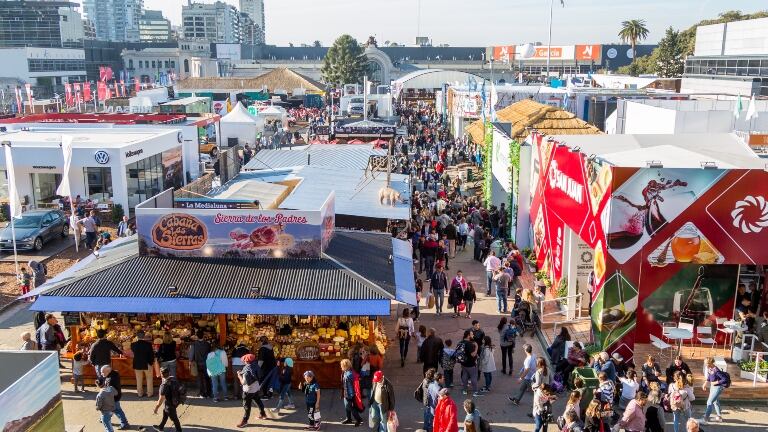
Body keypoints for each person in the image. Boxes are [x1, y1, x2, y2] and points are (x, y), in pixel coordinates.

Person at [237, 353, 267, 428]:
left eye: (244, 361)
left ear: (246, 361)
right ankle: (263, 414)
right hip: (256, 387)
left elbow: (243, 382)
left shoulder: (246, 370)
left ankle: (245, 420)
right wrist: (242, 373)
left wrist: (239, 376)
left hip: (248, 390)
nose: (244, 362)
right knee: (258, 401)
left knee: (247, 406)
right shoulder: (256, 366)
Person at [152, 366, 183, 432]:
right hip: (175, 401)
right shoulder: (174, 379)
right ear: (169, 373)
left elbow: (161, 399)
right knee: (165, 413)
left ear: (161, 374)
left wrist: (156, 408)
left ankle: (179, 430)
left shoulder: (164, 385)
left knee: (174, 418)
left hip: (169, 405)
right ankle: (161, 427)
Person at [100, 365, 130, 430]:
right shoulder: (114, 373)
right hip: (116, 396)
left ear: (108, 371)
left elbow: (107, 390)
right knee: (116, 410)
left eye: (103, 372)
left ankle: (125, 424)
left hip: (113, 398)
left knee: (116, 410)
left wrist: (101, 388)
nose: (101, 374)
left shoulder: (110, 379)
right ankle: (104, 418)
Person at [701, 357, 727, 423]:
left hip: (718, 388)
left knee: (709, 402)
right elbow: (709, 376)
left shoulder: (716, 370)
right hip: (713, 387)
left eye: (706, 363)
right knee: (715, 401)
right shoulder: (710, 368)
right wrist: (705, 383)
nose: (705, 365)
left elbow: (724, 379)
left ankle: (705, 419)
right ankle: (719, 417)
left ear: (710, 363)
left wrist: (716, 382)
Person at [131, 330, 155, 398]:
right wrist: (151, 362)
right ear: (144, 336)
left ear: (137, 336)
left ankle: (140, 393)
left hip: (137, 363)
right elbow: (151, 354)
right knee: (149, 379)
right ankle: (149, 393)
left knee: (138, 379)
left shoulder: (133, 344)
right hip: (147, 363)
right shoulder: (148, 344)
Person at [457, 330, 480, 397]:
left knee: (465, 375)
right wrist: (476, 347)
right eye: (472, 334)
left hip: (463, 363)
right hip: (471, 364)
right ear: (468, 335)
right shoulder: (470, 344)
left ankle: (464, 390)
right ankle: (475, 391)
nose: (473, 335)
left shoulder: (461, 342)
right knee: (473, 377)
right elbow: (473, 354)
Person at [188, 330, 211, 398]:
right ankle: (209, 393)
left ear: (197, 336)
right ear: (203, 336)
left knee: (200, 379)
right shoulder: (207, 344)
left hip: (197, 364)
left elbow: (191, 355)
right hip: (206, 363)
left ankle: (202, 393)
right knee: (207, 379)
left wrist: (190, 363)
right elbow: (210, 353)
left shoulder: (194, 344)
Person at [340, 358, 363, 426]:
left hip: (349, 394)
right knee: (347, 406)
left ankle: (358, 419)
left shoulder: (348, 374)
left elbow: (349, 386)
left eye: (341, 365)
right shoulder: (347, 372)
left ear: (345, 366)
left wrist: (349, 394)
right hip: (347, 393)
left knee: (349, 407)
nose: (341, 367)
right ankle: (348, 418)